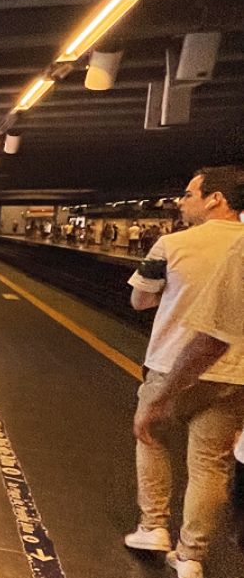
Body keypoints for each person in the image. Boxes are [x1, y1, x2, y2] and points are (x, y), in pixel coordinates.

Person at [124, 166, 244, 577]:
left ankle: (153, 526)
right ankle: (191, 556)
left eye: (190, 194)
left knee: (151, 436)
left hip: (171, 364)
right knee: (211, 464)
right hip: (235, 375)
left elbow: (140, 300)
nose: (182, 200)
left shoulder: (172, 243)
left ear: (217, 199)